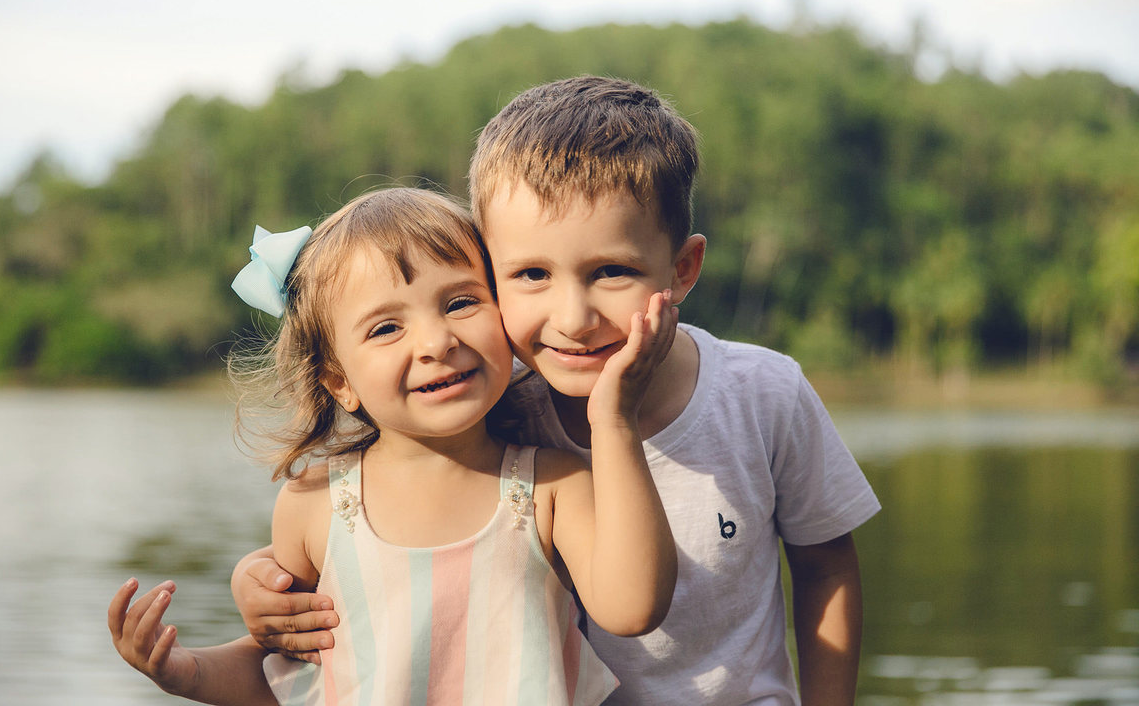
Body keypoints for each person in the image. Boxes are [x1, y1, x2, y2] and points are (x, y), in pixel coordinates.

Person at [233, 76, 882, 705]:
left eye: (612, 272)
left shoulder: (764, 394)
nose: (573, 317)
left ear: (682, 269)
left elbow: (826, 569)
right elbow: (396, 530)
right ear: (490, 274)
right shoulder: (496, 411)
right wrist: (260, 579)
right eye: (532, 274)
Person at [108, 187, 679, 705]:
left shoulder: (551, 486)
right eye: (386, 328)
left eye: (460, 303)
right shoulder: (313, 505)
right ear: (339, 380)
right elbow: (289, 672)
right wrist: (181, 671)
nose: (437, 341)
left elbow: (632, 609)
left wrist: (614, 421)